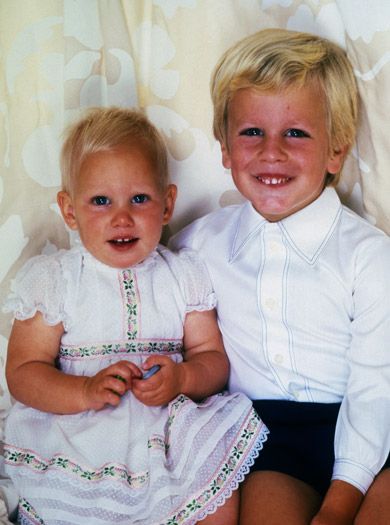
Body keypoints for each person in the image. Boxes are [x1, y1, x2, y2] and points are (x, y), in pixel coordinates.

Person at [2, 107, 268, 525]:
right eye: (101, 201)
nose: (121, 217)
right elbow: (22, 371)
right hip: (80, 434)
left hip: (168, 433)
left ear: (167, 205)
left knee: (217, 488)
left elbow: (212, 359)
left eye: (139, 198)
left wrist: (183, 378)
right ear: (69, 211)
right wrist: (84, 391)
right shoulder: (57, 280)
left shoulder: (183, 275)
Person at [170, 28, 390, 524]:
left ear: (336, 151)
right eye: (251, 132)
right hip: (268, 441)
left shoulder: (370, 256)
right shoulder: (193, 247)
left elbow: (375, 387)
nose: (272, 152)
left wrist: (339, 503)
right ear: (225, 149)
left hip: (374, 425)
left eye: (296, 133)